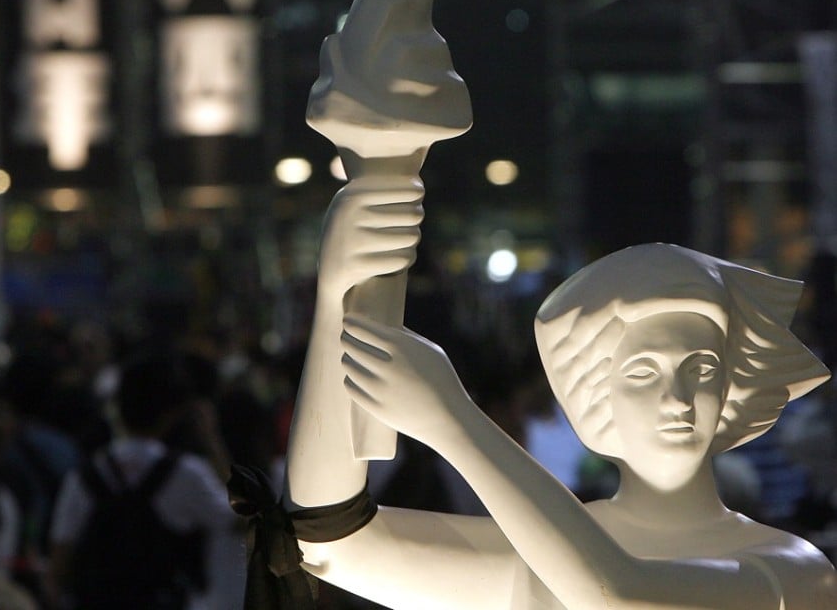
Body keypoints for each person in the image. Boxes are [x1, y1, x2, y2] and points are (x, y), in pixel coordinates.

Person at [276, 169, 837, 609]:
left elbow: (616, 594)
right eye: (643, 372)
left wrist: (456, 423)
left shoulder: (790, 571)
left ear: (734, 383)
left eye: (703, 369)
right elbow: (327, 542)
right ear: (597, 394)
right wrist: (337, 301)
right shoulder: (535, 556)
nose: (677, 397)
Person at [48, 353, 237, 609]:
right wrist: (212, 441)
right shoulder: (186, 473)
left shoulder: (85, 476)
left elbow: (59, 564)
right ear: (174, 412)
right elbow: (243, 518)